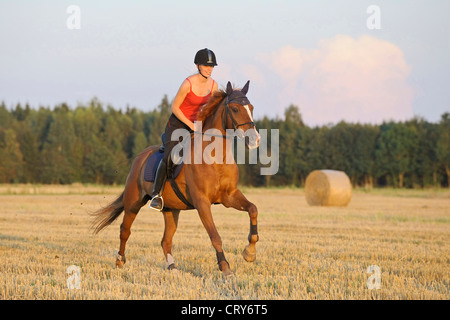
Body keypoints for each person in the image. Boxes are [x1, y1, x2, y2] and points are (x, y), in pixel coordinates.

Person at [149, 48, 219, 211]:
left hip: (198, 126)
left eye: (212, 66)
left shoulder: (214, 86)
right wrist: (191, 125)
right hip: (178, 124)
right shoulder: (188, 83)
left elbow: (213, 109)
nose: (209, 69)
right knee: (170, 157)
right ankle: (156, 195)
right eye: (206, 65)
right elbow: (175, 107)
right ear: (197, 65)